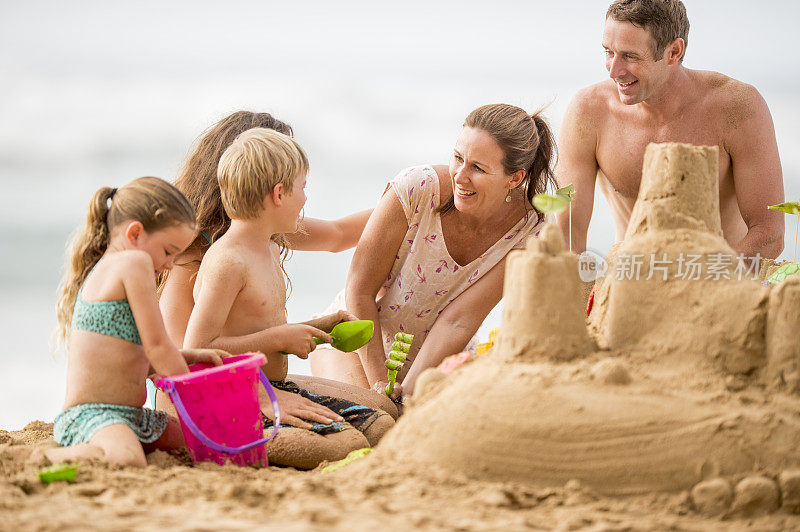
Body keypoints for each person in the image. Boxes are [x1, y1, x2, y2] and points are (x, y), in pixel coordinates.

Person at [158, 110, 392, 429]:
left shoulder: (263, 231)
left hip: (261, 378)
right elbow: (184, 361)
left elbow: (337, 234)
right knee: (359, 427)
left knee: (382, 411)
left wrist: (406, 202)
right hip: (207, 395)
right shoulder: (191, 253)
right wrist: (265, 397)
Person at [310, 103, 554, 397]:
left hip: (437, 365)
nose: (460, 176)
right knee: (372, 420)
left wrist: (408, 395)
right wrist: (380, 386)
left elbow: (458, 321)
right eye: (458, 158)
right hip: (357, 346)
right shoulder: (418, 188)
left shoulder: (530, 232)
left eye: (477, 168)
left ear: (514, 178)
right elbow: (359, 289)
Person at [556, 0, 784, 259]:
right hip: (631, 282)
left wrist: (698, 287)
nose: (614, 71)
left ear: (674, 52)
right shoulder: (589, 111)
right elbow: (569, 237)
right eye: (608, 52)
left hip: (720, 282)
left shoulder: (738, 107)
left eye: (630, 56)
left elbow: (768, 235)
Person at [48, 177, 227, 467]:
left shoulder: (118, 266)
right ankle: (51, 455)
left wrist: (188, 356)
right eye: (168, 251)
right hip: (94, 416)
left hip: (132, 417)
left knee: (197, 439)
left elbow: (136, 356)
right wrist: (196, 397)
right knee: (128, 460)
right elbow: (158, 346)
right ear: (135, 233)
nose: (170, 264)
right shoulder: (134, 263)